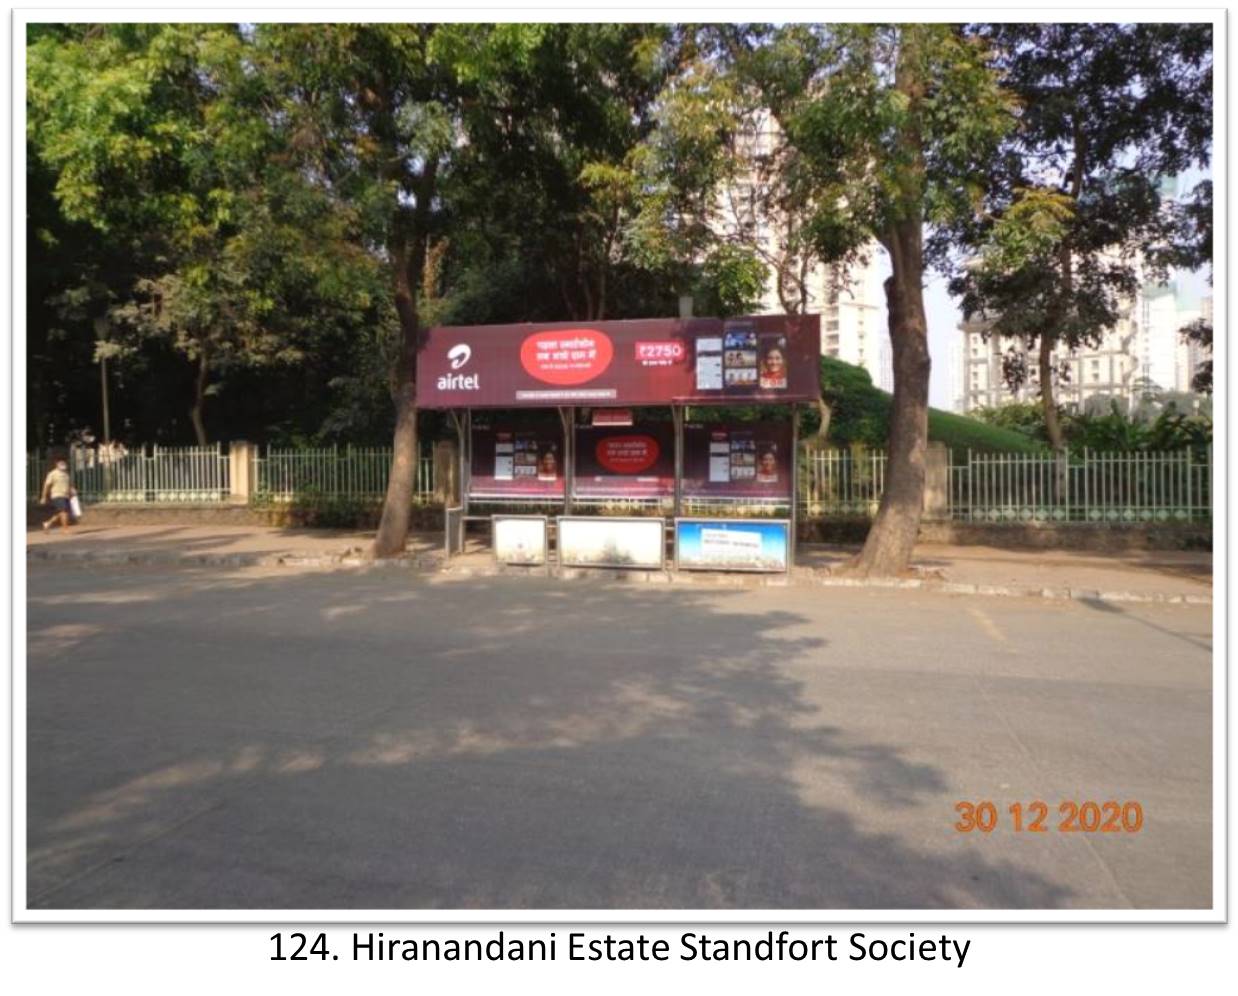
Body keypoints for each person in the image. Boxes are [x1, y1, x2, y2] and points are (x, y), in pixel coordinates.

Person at [40, 458, 77, 532]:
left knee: (60, 512)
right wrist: (43, 497)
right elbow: (47, 485)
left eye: (64, 463)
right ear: (57, 465)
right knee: (64, 511)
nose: (63, 465)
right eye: (61, 463)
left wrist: (72, 490)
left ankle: (47, 523)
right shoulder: (52, 474)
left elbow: (68, 485)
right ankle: (65, 529)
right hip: (57, 495)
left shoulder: (66, 474)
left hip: (65, 495)